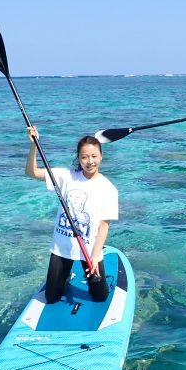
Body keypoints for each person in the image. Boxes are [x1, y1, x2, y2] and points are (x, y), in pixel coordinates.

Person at [25, 126, 118, 304]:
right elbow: (31, 172)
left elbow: (104, 226)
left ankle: (86, 270)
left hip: (89, 250)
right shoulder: (66, 176)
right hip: (62, 247)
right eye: (84, 157)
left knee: (100, 297)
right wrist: (33, 145)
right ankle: (65, 275)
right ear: (79, 158)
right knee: (51, 298)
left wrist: (95, 256)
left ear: (101, 156)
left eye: (94, 156)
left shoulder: (108, 189)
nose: (89, 161)